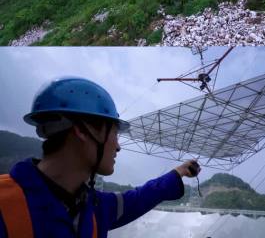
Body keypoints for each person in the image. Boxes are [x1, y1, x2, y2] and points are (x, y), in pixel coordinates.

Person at [0, 77, 201, 237]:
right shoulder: (5, 204)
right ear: (82, 130)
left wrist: (178, 172)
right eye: (114, 133)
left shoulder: (92, 206)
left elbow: (139, 198)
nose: (118, 147)